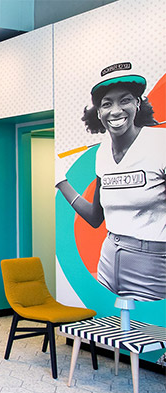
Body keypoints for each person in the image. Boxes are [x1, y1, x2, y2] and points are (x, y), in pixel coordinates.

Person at [56, 62, 166, 302]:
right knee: (109, 325)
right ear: (98, 112)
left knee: (147, 326)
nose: (116, 111)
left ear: (138, 103)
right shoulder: (102, 153)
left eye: (125, 100)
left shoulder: (161, 144)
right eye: (107, 104)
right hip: (107, 260)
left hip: (153, 266)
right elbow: (96, 218)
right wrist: (60, 181)